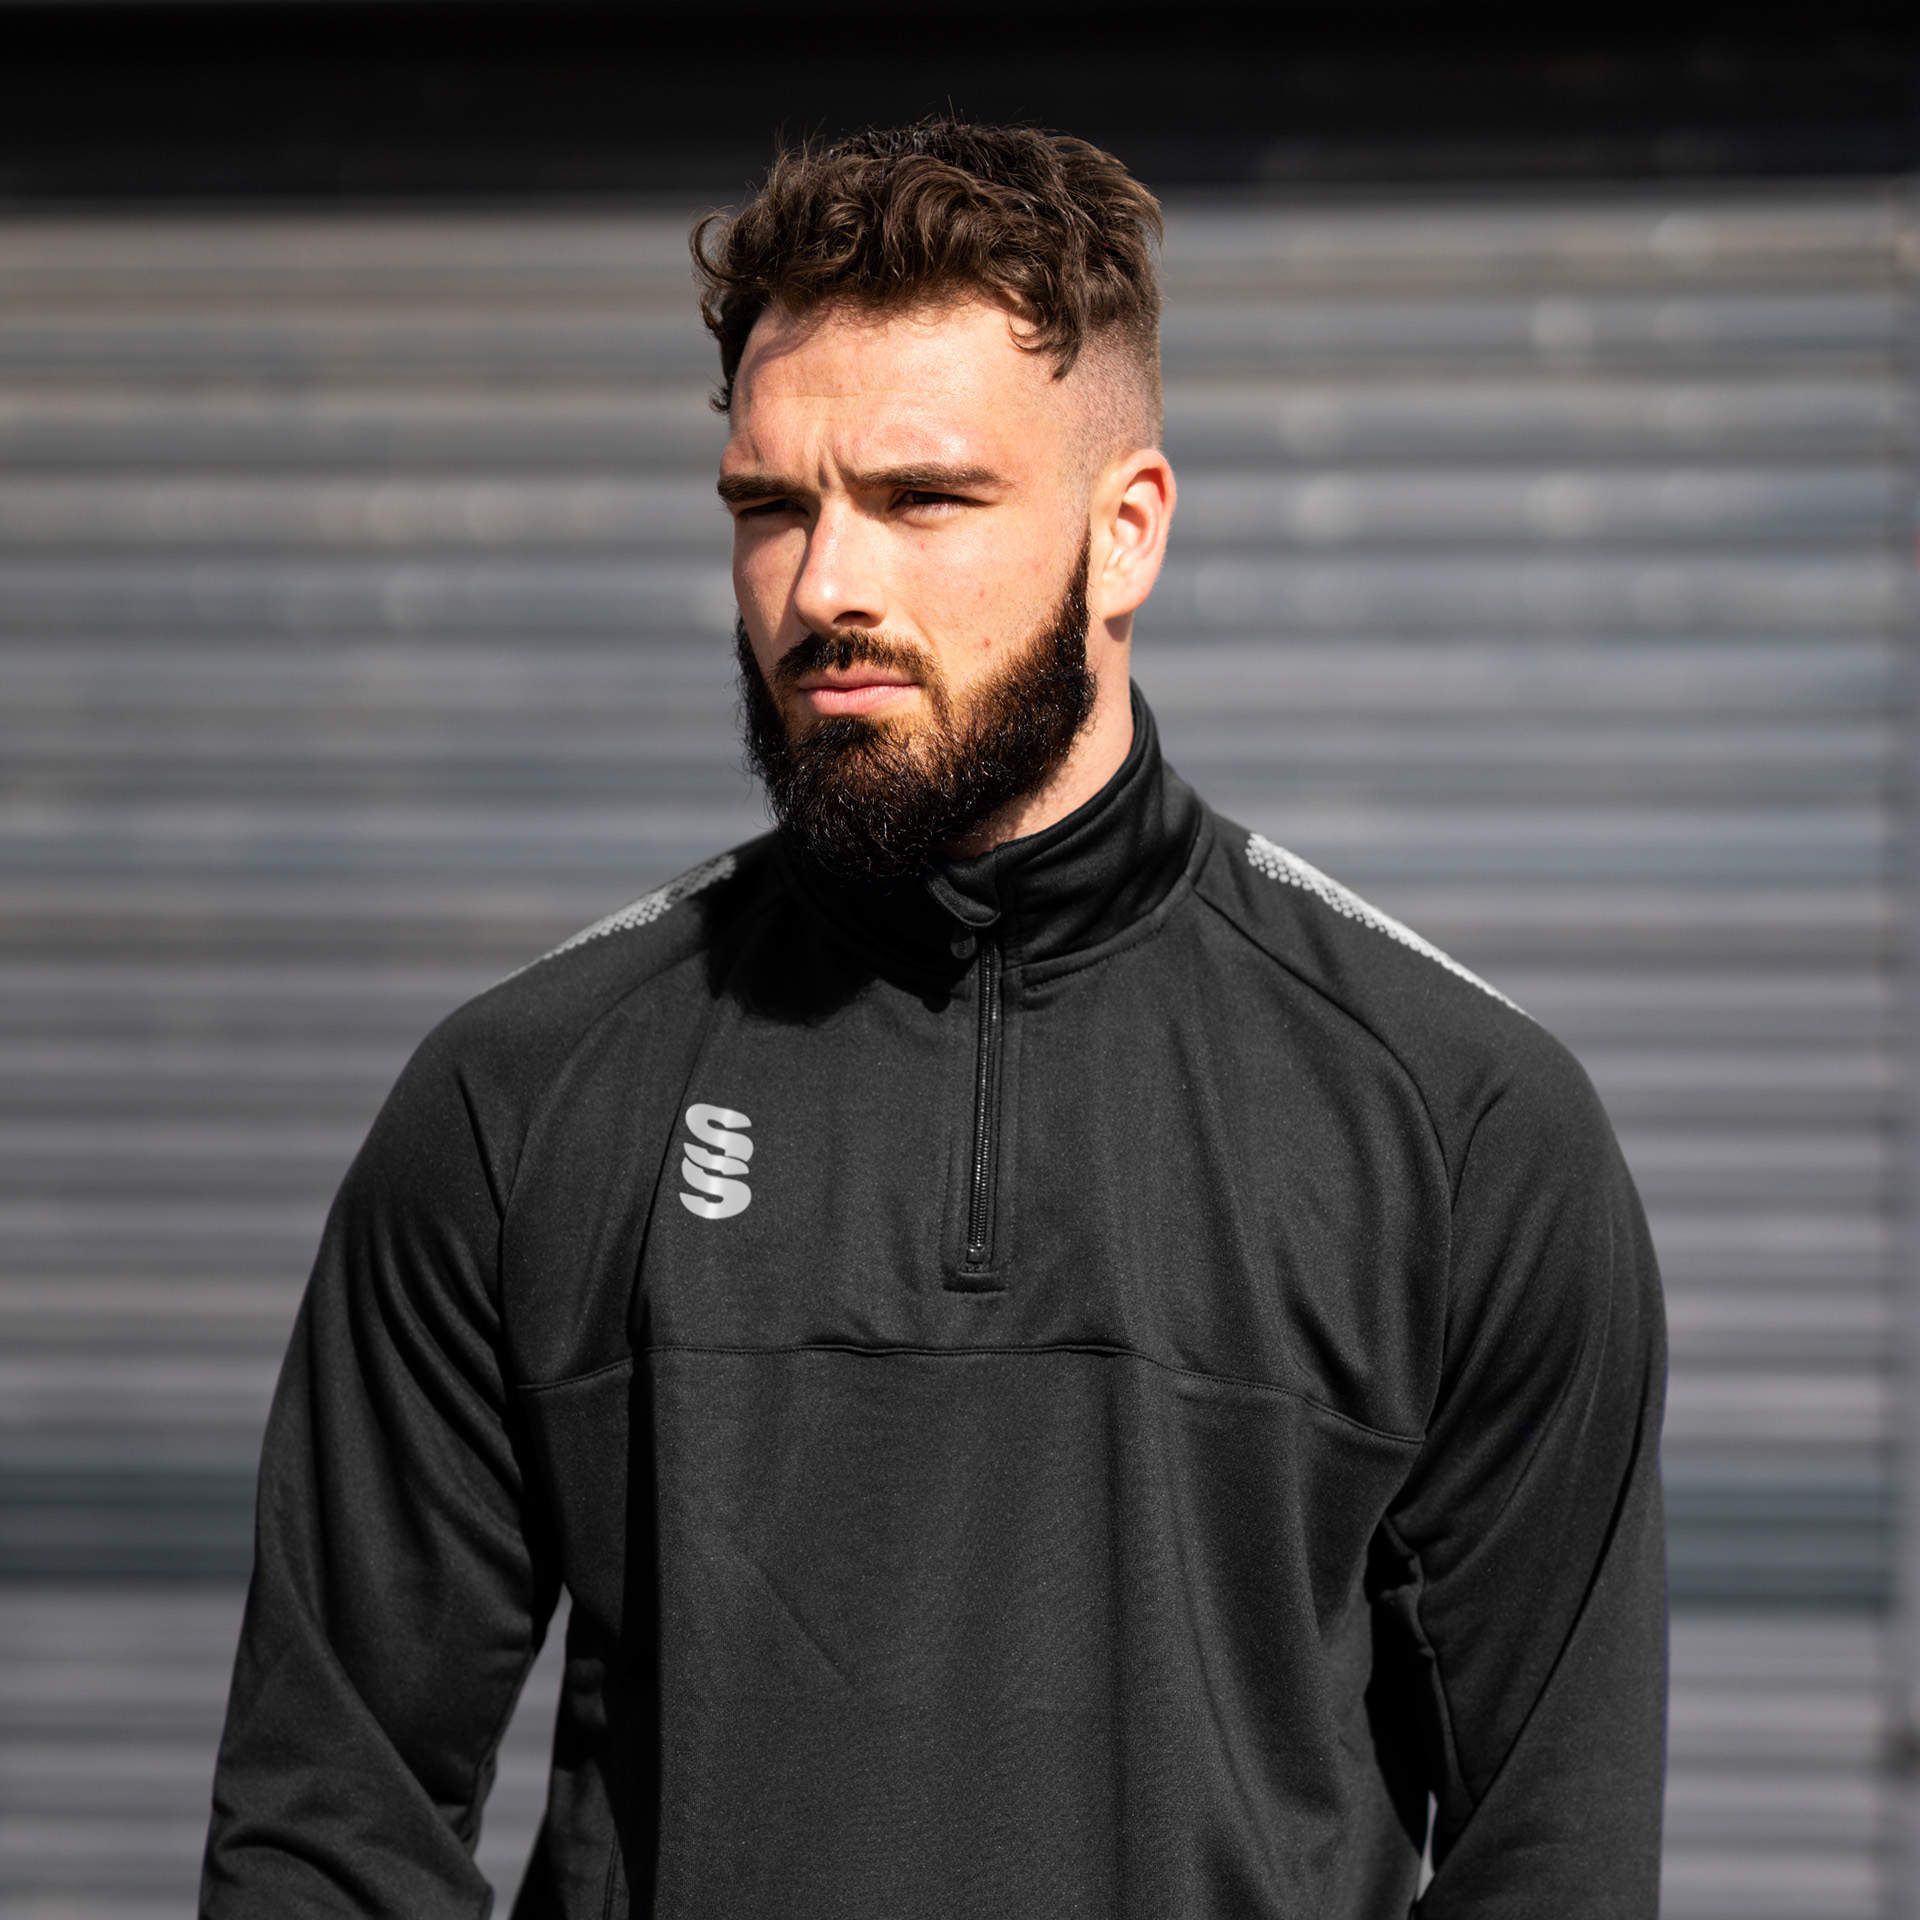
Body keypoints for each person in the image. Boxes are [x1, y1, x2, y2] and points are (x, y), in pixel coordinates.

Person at [201, 122, 1666, 1919]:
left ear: (1125, 533)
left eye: (922, 501)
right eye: (771, 506)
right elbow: (326, 1829)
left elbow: (1554, 1864)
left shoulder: (1463, 1128)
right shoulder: (522, 1102)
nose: (827, 586)